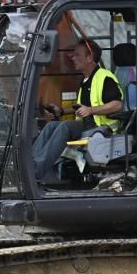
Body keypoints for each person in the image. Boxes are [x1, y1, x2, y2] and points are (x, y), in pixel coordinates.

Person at [31, 39, 123, 184]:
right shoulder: (86, 80)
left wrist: (91, 110)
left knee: (65, 126)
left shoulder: (105, 77)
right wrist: (61, 111)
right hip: (87, 126)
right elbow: (81, 107)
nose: (72, 58)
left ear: (89, 57)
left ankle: (37, 170)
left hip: (103, 130)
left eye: (77, 55)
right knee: (51, 126)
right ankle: (30, 163)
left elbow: (117, 105)